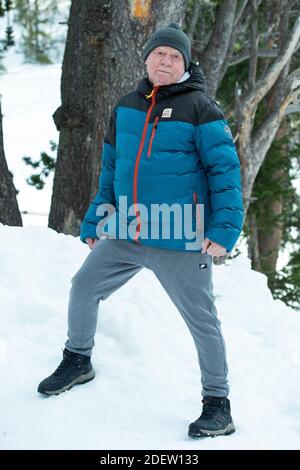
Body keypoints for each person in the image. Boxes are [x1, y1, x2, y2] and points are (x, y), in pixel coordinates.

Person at [38, 23, 244, 439]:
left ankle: (218, 405)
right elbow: (112, 170)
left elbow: (225, 171)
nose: (165, 61)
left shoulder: (201, 107)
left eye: (174, 57)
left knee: (202, 321)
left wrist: (224, 229)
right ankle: (78, 360)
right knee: (83, 285)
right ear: (147, 58)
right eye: (159, 54)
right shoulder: (126, 105)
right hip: (126, 231)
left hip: (180, 235)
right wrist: (98, 218)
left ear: (185, 64)